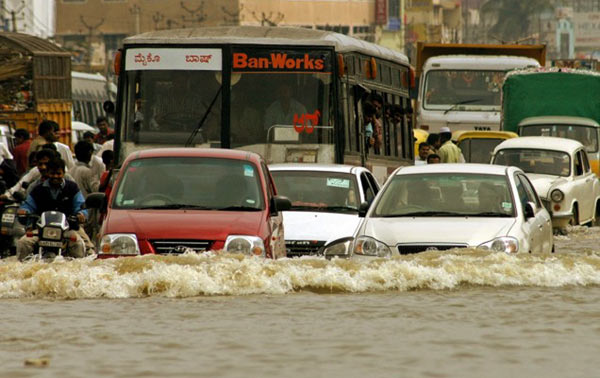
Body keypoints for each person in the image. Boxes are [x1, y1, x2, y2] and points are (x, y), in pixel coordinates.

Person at [16, 158, 87, 261]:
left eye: (58, 173)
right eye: (52, 173)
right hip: (41, 230)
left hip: (68, 229)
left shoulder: (72, 188)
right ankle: (21, 272)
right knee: (24, 242)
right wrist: (24, 211)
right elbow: (28, 205)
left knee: (80, 244)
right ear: (47, 173)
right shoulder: (38, 189)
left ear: (63, 173)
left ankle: (79, 269)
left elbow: (80, 205)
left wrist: (81, 214)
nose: (55, 176)